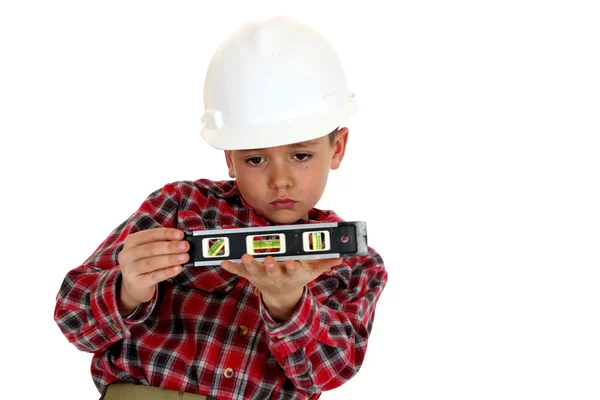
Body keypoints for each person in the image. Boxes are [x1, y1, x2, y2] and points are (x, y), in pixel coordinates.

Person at [54, 16, 388, 400]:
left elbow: (329, 373)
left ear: (338, 148)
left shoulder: (353, 263)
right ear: (229, 158)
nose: (281, 180)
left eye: (300, 155)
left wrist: (287, 303)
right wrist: (127, 290)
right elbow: (73, 320)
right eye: (255, 160)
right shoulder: (181, 207)